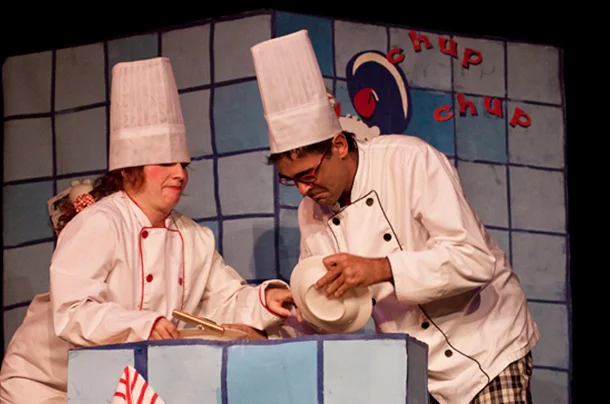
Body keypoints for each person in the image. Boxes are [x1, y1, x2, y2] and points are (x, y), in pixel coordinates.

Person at [250, 30, 540, 404]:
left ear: (339, 145)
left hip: (487, 345)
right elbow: (336, 310)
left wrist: (380, 269)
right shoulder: (312, 212)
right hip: (418, 366)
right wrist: (289, 314)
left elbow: (475, 260)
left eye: (308, 175)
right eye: (291, 180)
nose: (303, 190)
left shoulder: (408, 161)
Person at [0, 57, 293, 404]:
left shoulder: (194, 237)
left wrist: (265, 300)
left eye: (183, 164)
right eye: (165, 163)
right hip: (48, 384)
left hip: (118, 382)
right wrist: (144, 325)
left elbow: (222, 302)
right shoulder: (98, 223)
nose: (179, 174)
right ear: (127, 170)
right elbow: (74, 312)